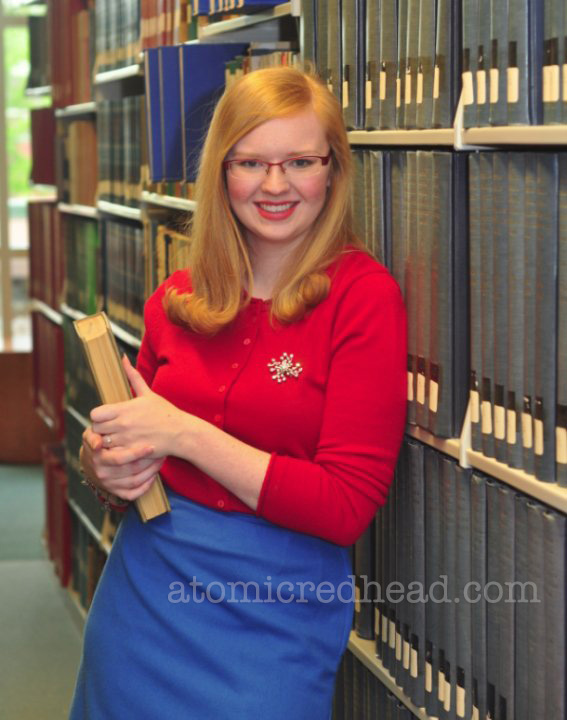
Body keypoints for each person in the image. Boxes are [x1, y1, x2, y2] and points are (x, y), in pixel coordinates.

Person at [70, 66, 407, 719]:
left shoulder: (362, 299)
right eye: (250, 162)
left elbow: (344, 506)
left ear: (333, 170)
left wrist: (184, 434)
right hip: (143, 599)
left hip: (275, 617)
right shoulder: (176, 299)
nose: (274, 185)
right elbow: (123, 476)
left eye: (299, 161)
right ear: (221, 172)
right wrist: (103, 464)